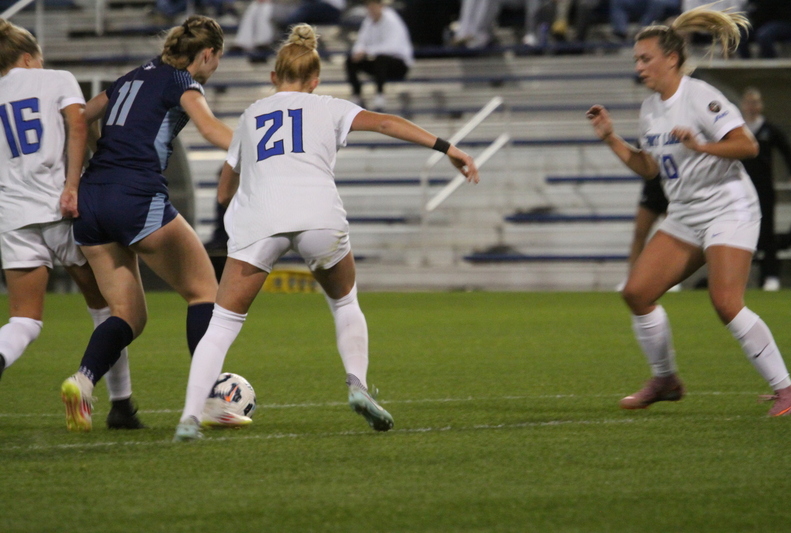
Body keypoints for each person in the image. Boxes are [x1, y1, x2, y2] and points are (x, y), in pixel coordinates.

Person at [173, 23, 480, 441]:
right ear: (315, 80)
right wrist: (449, 148)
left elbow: (226, 186)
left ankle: (191, 417)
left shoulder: (250, 116)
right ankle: (357, 385)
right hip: (319, 216)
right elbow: (387, 123)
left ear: (273, 78)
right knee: (344, 301)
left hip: (261, 221)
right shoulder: (330, 107)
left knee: (223, 324)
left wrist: (237, 215)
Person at [586, 5, 791, 416]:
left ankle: (788, 391)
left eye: (645, 58)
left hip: (728, 208)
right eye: (636, 59)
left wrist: (702, 146)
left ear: (671, 58)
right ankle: (665, 379)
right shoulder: (650, 109)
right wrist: (611, 138)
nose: (640, 66)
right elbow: (651, 168)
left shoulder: (700, 95)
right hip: (685, 212)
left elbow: (747, 146)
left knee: (725, 302)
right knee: (637, 293)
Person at [59, 15, 235, 432]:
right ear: (206, 54)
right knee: (203, 290)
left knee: (128, 315)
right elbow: (211, 129)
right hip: (135, 198)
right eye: (216, 61)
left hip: (93, 198)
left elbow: (82, 116)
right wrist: (262, 145)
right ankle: (208, 399)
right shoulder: (182, 83)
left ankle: (82, 381)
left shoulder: (131, 77)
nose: (214, 70)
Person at [0, 19, 143, 429]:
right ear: (29, 56)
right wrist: (72, 185)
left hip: (13, 213)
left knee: (24, 320)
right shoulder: (55, 78)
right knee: (108, 309)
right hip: (62, 209)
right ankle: (121, 405)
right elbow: (78, 124)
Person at [739, 87, 791, 291]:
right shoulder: (737, 129)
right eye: (749, 102)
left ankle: (771, 276)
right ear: (743, 105)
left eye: (756, 102)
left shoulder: (768, 129)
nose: (752, 106)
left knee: (767, 232)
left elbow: (786, 149)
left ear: (761, 105)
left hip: (764, 187)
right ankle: (740, 277)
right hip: (740, 190)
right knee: (740, 233)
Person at [345, 0, 414, 112]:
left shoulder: (392, 20)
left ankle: (380, 96)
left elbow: (392, 47)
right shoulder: (368, 21)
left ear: (381, 6)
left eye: (373, 6)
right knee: (351, 60)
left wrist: (367, 51)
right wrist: (358, 52)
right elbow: (361, 41)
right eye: (369, 6)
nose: (371, 9)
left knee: (381, 59)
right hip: (379, 64)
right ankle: (357, 95)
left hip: (399, 64)